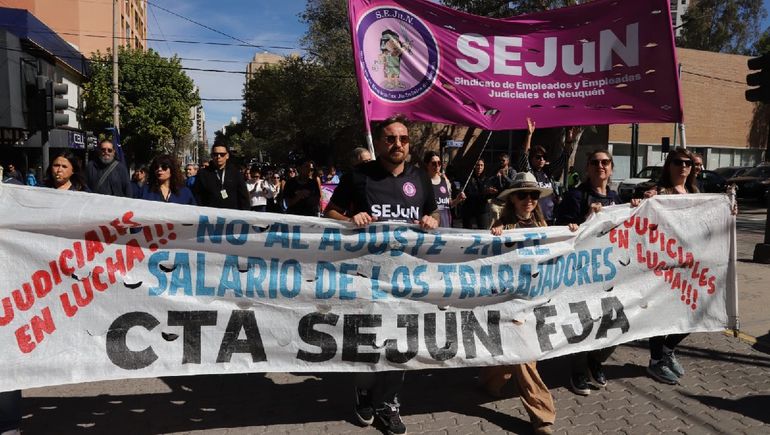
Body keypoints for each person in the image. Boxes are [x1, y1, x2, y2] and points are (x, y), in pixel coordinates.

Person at [325, 115, 438, 435]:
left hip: (407, 275)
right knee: (368, 339)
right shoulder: (359, 176)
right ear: (379, 142)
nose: (397, 144)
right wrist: (350, 218)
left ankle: (389, 404)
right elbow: (329, 212)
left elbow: (431, 212)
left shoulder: (419, 178)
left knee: (400, 341)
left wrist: (431, 219)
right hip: (366, 274)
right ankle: (363, 392)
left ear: (409, 143)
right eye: (390, 139)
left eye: (403, 139)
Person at [482, 172, 577, 435]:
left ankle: (490, 381)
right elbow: (484, 256)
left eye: (533, 195)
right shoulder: (501, 225)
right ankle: (543, 416)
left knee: (514, 358)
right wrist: (494, 235)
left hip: (537, 299)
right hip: (510, 300)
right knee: (525, 355)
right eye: (522, 195)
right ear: (512, 199)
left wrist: (569, 233)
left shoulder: (545, 225)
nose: (528, 200)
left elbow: (561, 251)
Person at [556, 149, 640, 395]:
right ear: (588, 168)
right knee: (587, 321)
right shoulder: (576, 196)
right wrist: (583, 218)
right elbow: (559, 231)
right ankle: (579, 370)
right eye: (595, 162)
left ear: (611, 168)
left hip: (613, 272)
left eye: (605, 162)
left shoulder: (616, 198)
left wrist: (635, 209)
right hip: (584, 272)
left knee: (617, 320)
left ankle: (596, 361)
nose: (600, 166)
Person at [646, 147, 699, 385]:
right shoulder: (659, 193)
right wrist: (643, 202)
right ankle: (656, 361)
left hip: (689, 265)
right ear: (669, 165)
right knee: (661, 315)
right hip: (664, 264)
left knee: (694, 312)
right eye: (678, 162)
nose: (683, 167)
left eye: (688, 163)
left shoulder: (695, 192)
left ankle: (668, 350)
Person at [518, 118, 576, 224]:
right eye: (538, 157)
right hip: (533, 218)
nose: (542, 160)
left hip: (550, 218)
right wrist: (529, 135)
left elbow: (565, 157)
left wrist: (568, 138)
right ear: (532, 158)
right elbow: (524, 155)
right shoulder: (529, 172)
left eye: (544, 157)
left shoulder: (548, 172)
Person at [192, 144, 249, 210]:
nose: (218, 157)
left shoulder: (236, 173)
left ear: (227, 156)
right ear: (212, 156)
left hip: (232, 216)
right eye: (215, 154)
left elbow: (243, 197)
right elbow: (197, 196)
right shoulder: (203, 174)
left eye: (222, 154)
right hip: (210, 216)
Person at [423, 150, 464, 228]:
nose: (437, 166)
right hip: (431, 225)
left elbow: (449, 204)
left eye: (439, 163)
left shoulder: (445, 181)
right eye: (434, 163)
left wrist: (458, 199)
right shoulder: (423, 182)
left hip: (446, 224)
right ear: (427, 165)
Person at [461, 159, 492, 229]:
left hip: (482, 208)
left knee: (483, 231)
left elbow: (488, 196)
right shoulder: (468, 177)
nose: (480, 167)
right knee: (467, 231)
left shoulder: (487, 178)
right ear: (474, 166)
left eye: (482, 165)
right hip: (469, 206)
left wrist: (490, 192)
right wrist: (484, 192)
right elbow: (468, 193)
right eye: (478, 165)